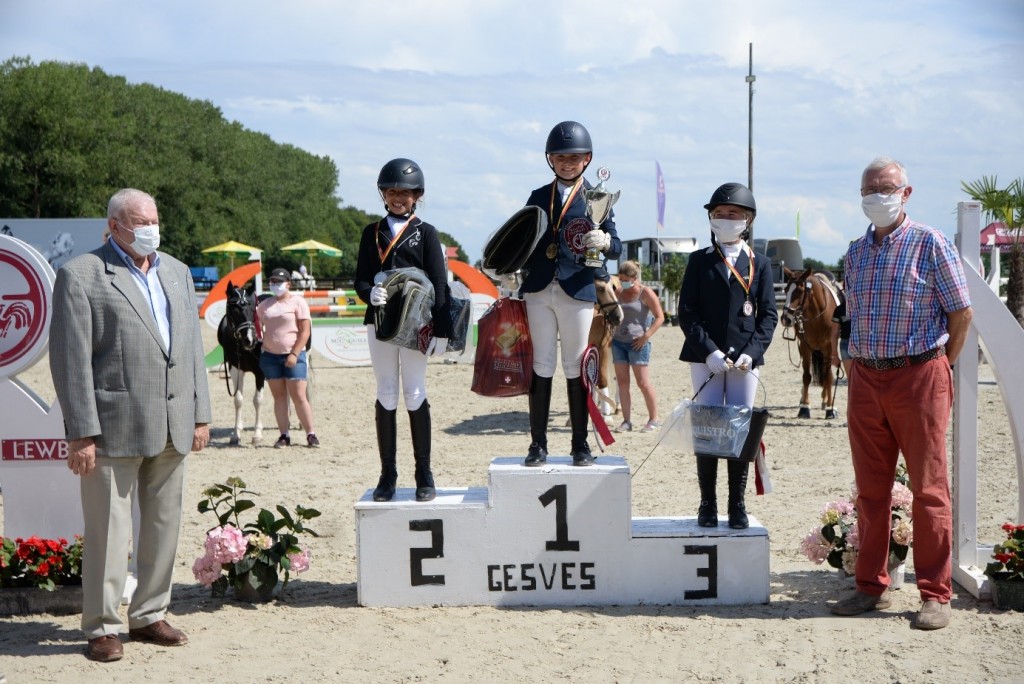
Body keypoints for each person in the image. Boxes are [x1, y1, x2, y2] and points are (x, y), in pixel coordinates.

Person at [49, 188, 211, 663]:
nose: (151, 229)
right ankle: (102, 624)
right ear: (115, 225)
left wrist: (201, 413)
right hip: (111, 426)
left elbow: (191, 351)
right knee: (108, 530)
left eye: (154, 220)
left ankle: (150, 613)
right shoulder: (81, 275)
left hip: (173, 422)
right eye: (141, 221)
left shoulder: (178, 273)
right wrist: (80, 431)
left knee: (163, 524)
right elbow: (70, 360)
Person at [829, 157, 973, 630]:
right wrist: (851, 358)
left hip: (919, 375)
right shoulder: (854, 252)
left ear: (906, 192)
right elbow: (850, 314)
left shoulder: (930, 243)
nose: (877, 194)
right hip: (867, 378)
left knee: (930, 488)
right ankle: (870, 586)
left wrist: (941, 366)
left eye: (886, 186)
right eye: (869, 187)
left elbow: (961, 313)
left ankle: (936, 594)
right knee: (871, 489)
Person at [516, 120, 622, 467]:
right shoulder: (536, 196)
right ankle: (538, 444)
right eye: (560, 157)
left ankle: (580, 444)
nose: (567, 163)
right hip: (539, 289)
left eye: (573, 158)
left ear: (586, 159)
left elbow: (617, 245)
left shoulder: (599, 197)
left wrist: (605, 242)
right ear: (551, 159)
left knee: (576, 364)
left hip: (577, 287)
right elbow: (521, 239)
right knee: (541, 364)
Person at [678, 182, 778, 529]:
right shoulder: (699, 260)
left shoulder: (760, 264)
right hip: (705, 357)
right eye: (718, 214)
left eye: (732, 214)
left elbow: (768, 315)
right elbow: (686, 311)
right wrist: (708, 351)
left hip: (744, 363)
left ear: (747, 220)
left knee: (739, 431)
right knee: (707, 429)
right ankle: (707, 502)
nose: (725, 219)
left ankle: (737, 503)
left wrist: (752, 353)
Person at [355, 158, 451, 502]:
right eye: (392, 192)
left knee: (414, 390)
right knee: (386, 391)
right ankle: (387, 475)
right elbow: (361, 278)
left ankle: (424, 473)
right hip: (380, 321)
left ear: (417, 197)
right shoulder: (372, 232)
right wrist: (369, 292)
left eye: (405, 193)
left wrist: (443, 328)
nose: (398, 198)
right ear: (384, 194)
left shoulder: (425, 233)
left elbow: (439, 281)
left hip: (415, 324)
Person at [257, 267, 319, 448]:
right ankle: (284, 434)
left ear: (288, 284)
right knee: (279, 397)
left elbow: (305, 331)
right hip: (270, 355)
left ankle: (310, 433)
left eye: (278, 282)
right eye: (272, 282)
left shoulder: (298, 303)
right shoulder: (264, 305)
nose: (275, 285)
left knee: (299, 396)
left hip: (293, 354)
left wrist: (294, 353)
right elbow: (256, 325)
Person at [612, 260, 665, 433]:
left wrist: (646, 336)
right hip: (618, 342)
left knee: (642, 383)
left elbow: (660, 317)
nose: (622, 282)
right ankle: (627, 421)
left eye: (625, 279)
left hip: (638, 344)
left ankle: (654, 418)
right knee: (622, 382)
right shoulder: (618, 292)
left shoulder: (645, 292)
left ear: (634, 278)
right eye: (620, 279)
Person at [830, 295, 852, 377]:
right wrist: (834, 355)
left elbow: (834, 334)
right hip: (852, 344)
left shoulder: (840, 309)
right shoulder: (840, 309)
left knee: (851, 380)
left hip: (846, 344)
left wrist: (834, 356)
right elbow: (834, 334)